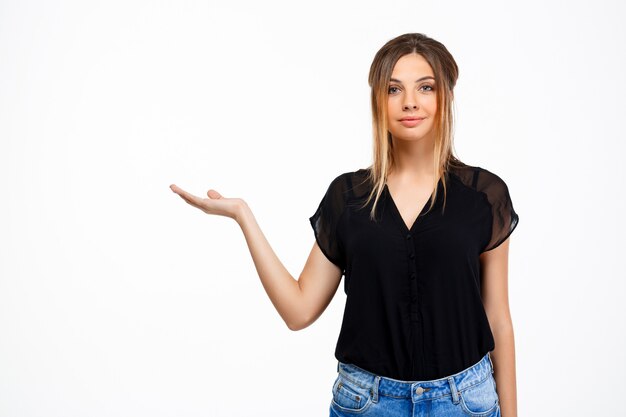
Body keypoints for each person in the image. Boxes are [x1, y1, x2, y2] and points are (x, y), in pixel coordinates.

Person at [170, 32, 519, 417]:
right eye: (393, 89)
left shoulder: (484, 195)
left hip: (465, 402)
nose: (410, 102)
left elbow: (498, 319)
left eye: (425, 87)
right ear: (378, 101)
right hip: (367, 403)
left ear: (446, 96)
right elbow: (299, 310)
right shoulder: (349, 197)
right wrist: (243, 217)